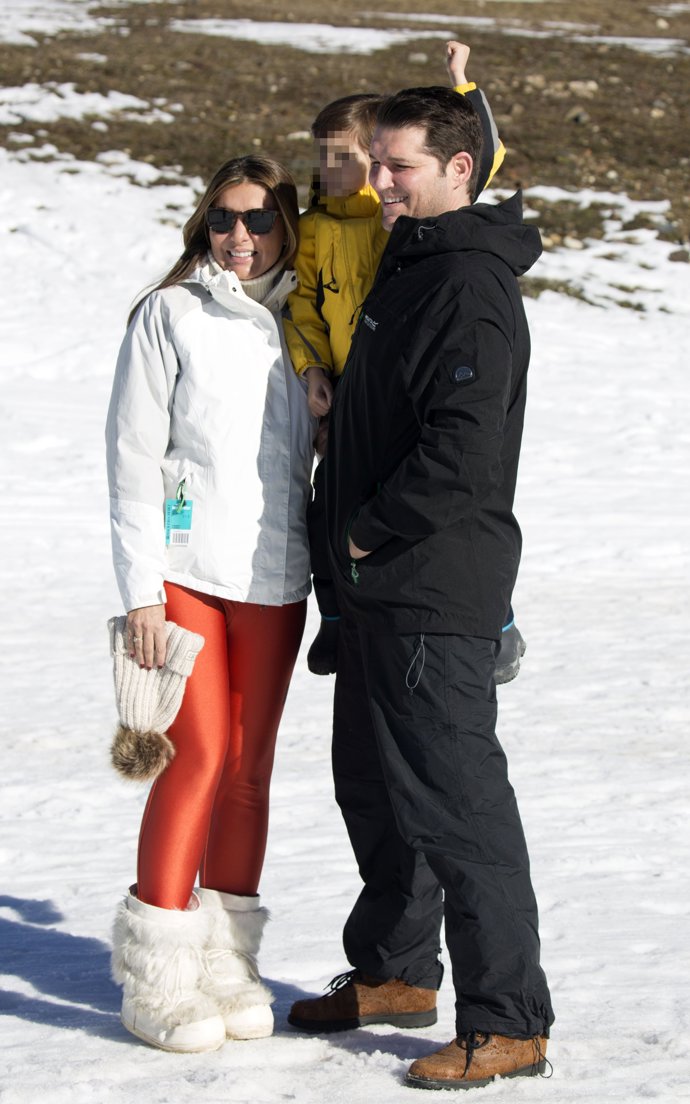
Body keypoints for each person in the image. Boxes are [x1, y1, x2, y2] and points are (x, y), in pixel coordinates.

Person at [287, 88, 555, 1090]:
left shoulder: (467, 283)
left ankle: (510, 1019)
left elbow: (461, 454)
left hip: (432, 585)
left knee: (457, 806)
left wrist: (363, 528)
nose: (381, 180)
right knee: (377, 787)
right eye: (377, 161)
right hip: (377, 588)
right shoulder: (415, 261)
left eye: (400, 166)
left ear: (460, 169)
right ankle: (398, 972)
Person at [105, 154, 314, 1053]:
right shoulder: (170, 315)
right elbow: (129, 458)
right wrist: (142, 593)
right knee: (198, 756)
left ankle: (227, 961)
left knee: (249, 768)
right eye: (224, 220)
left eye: (259, 220)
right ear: (203, 226)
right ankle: (158, 972)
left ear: (287, 227)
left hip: (278, 576)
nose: (240, 238)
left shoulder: (309, 321)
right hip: (187, 572)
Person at [285, 44, 525, 683]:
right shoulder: (313, 230)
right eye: (323, 158)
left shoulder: (398, 219)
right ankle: (334, 618)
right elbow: (303, 310)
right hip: (346, 388)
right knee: (323, 512)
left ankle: (495, 619)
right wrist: (314, 371)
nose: (334, 170)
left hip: (392, 395)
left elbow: (485, 157)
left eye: (349, 158)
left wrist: (462, 85)